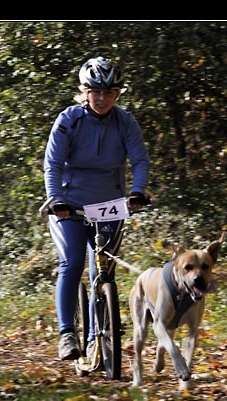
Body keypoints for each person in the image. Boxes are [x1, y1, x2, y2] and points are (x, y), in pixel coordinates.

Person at [44, 56, 150, 361]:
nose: (102, 99)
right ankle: (67, 334)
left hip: (110, 205)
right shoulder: (69, 120)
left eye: (109, 93)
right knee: (73, 263)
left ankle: (95, 339)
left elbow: (140, 161)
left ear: (117, 94)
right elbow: (52, 164)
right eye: (96, 92)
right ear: (85, 91)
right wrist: (56, 199)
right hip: (70, 205)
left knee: (102, 270)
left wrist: (138, 192)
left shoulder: (125, 121)